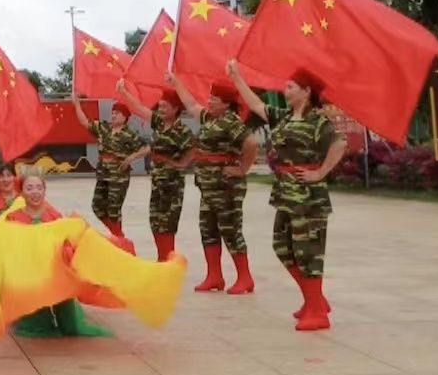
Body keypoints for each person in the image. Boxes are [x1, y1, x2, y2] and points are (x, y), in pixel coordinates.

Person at [227, 60, 346, 331]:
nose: (285, 90)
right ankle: (313, 299)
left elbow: (339, 143)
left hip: (308, 198)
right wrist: (236, 78)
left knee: (309, 252)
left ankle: (317, 312)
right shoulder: (284, 117)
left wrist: (320, 172)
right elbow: (256, 105)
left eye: (291, 87)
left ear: (306, 92)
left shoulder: (316, 119)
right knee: (283, 247)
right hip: (285, 194)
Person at [169, 73, 258, 295]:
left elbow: (251, 143)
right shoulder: (210, 118)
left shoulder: (232, 122)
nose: (209, 101)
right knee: (208, 230)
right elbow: (190, 104)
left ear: (226, 104)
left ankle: (245, 278)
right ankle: (214, 276)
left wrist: (242, 169)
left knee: (230, 230)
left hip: (226, 186)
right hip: (208, 187)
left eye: (214, 99)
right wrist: (177, 82)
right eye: (210, 97)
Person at [6, 170, 113, 339]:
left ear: (44, 190)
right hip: (29, 274)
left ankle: (68, 319)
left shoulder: (54, 216)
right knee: (35, 314)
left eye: (39, 188)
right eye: (30, 188)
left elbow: (65, 246)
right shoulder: (13, 218)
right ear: (22, 192)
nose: (35, 192)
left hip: (54, 271)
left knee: (69, 316)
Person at [117, 81, 194, 261]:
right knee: (155, 222)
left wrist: (181, 164)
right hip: (157, 182)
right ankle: (162, 257)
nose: (160, 109)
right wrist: (124, 92)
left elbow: (194, 150)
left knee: (167, 223)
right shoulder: (159, 123)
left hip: (172, 185)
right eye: (159, 106)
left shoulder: (182, 131)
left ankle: (168, 259)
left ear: (175, 109)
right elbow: (138, 108)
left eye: (165, 106)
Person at [70, 93, 148, 239]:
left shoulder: (130, 134)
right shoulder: (103, 128)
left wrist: (131, 158)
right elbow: (85, 122)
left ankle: (118, 237)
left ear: (125, 117)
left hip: (118, 176)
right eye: (112, 113)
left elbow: (147, 148)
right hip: (103, 173)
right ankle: (116, 234)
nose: (113, 115)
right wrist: (77, 105)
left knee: (114, 209)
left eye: (117, 113)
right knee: (97, 206)